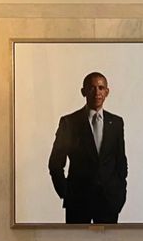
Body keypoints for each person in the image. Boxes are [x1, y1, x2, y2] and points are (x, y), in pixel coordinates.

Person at [48, 71, 128, 224]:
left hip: (108, 201)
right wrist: (66, 193)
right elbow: (55, 163)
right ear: (83, 91)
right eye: (91, 88)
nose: (97, 92)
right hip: (78, 202)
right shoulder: (69, 123)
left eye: (100, 87)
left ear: (107, 92)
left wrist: (120, 193)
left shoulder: (116, 123)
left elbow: (120, 161)